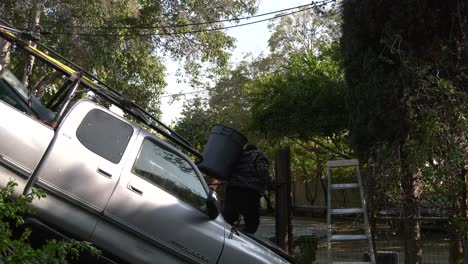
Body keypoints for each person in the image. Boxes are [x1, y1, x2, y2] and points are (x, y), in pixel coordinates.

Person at [222, 144, 272, 234]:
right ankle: (243, 241)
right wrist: (270, 184)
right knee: (252, 223)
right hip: (249, 192)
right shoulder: (258, 155)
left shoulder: (237, 155)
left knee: (227, 220)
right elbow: (262, 171)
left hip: (232, 190)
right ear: (256, 149)